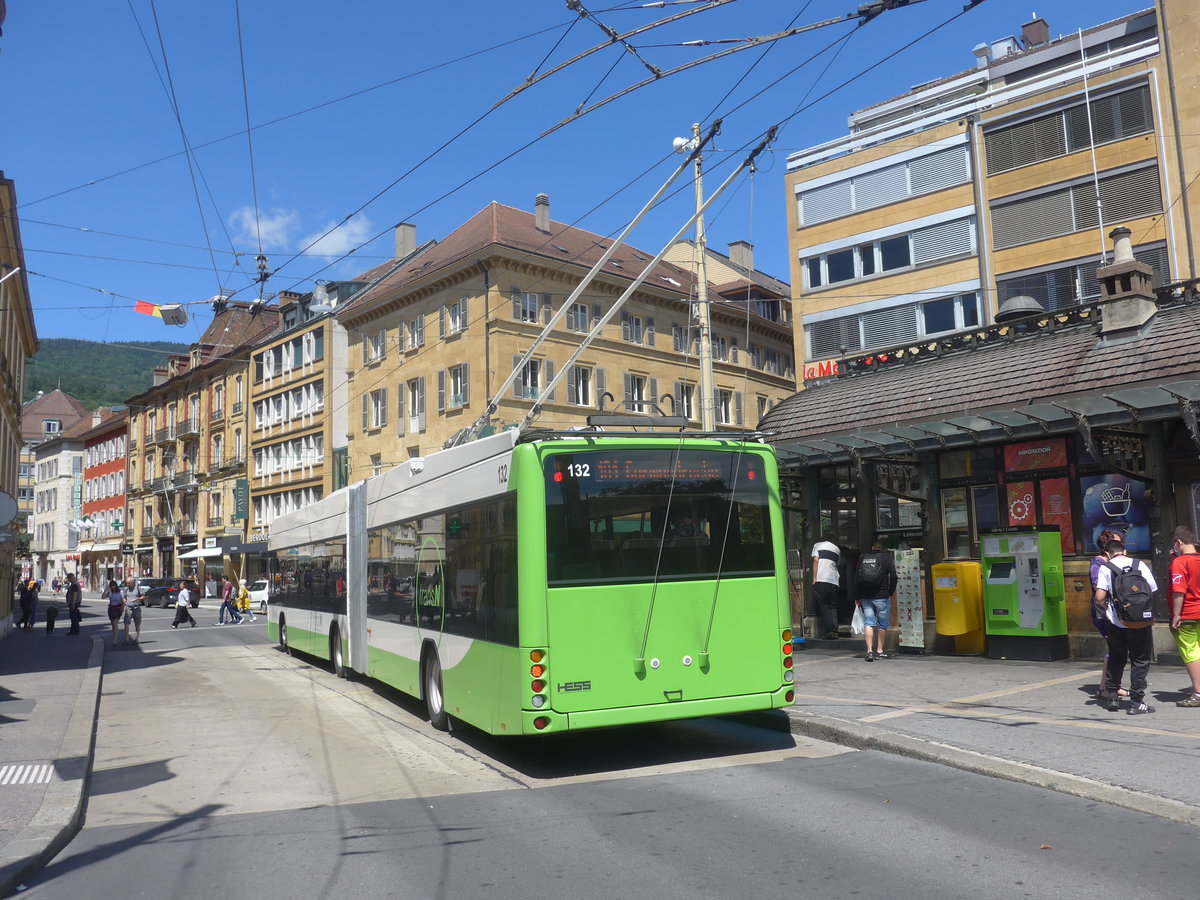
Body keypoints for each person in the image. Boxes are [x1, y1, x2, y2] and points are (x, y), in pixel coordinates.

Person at [1093, 535, 1157, 715]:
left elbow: (1099, 597)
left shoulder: (1106, 567)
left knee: (1116, 657)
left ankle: (1113, 695)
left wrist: (1108, 608)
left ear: (1107, 553)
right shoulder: (1140, 564)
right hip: (1139, 622)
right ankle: (1136, 702)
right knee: (1140, 660)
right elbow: (1152, 590)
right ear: (1125, 551)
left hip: (1116, 622)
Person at [1090, 529, 1129, 703]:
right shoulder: (1098, 564)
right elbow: (1099, 592)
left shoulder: (1117, 562)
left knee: (1118, 648)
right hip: (1104, 612)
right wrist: (1108, 608)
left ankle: (1114, 685)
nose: (1120, 545)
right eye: (1116, 542)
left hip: (1117, 611)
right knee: (1114, 648)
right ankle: (1104, 687)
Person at [1168, 525, 1200, 708]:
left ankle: (1197, 692)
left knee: (1191, 652)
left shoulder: (1180, 563)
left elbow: (1178, 590)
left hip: (1188, 614)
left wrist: (1176, 614)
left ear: (1178, 543)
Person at [856, 540, 898, 662]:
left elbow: (857, 577)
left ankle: (869, 651)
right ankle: (879, 651)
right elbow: (894, 577)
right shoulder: (886, 558)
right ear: (883, 549)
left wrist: (857, 596)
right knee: (882, 624)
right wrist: (889, 592)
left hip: (866, 596)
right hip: (882, 596)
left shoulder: (863, 557)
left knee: (869, 622)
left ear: (873, 547)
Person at [811, 535, 842, 639]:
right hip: (834, 581)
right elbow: (837, 564)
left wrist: (814, 578)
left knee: (824, 606)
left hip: (821, 579)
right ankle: (835, 630)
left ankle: (829, 632)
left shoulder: (818, 545)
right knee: (833, 607)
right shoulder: (837, 550)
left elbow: (816, 560)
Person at [122, 576, 145, 645]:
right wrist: (125, 602)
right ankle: (126, 640)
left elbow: (143, 596)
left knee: (137, 624)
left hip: (136, 608)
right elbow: (124, 597)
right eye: (127, 583)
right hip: (128, 608)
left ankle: (136, 639)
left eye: (129, 583)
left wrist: (137, 599)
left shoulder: (137, 588)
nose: (127, 585)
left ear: (132, 583)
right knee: (126, 624)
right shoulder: (126, 589)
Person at [106, 579, 125, 646]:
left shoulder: (120, 592)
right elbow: (103, 597)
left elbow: (123, 601)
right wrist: (107, 590)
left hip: (117, 608)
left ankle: (115, 640)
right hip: (111, 609)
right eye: (111, 586)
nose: (113, 587)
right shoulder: (110, 592)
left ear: (116, 586)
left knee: (115, 624)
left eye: (114, 585)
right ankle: (114, 636)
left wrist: (122, 607)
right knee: (113, 625)